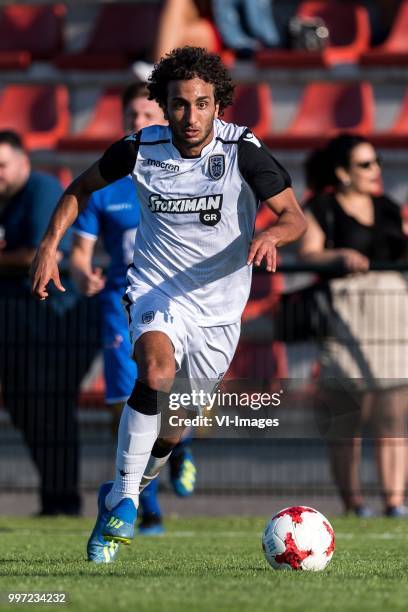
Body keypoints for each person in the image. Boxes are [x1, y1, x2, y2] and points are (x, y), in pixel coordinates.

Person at [31, 46, 306, 562]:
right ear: (162, 104)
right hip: (157, 289)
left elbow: (294, 215)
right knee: (155, 372)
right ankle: (124, 501)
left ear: (218, 104)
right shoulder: (139, 149)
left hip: (220, 309)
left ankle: (123, 489)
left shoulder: (242, 150)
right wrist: (49, 247)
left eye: (202, 104)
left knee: (175, 425)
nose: (191, 116)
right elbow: (77, 190)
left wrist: (273, 236)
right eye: (180, 104)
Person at [69, 82, 197, 536]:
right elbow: (81, 251)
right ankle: (146, 506)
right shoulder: (107, 187)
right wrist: (81, 271)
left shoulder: (184, 174)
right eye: (132, 118)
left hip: (179, 296)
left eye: (146, 117)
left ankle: (177, 449)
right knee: (130, 400)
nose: (138, 125)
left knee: (178, 399)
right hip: (122, 299)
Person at [300, 133, 408, 518]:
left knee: (393, 413)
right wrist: (340, 255)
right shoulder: (323, 208)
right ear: (343, 173)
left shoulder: (390, 209)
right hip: (345, 316)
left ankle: (394, 501)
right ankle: (353, 502)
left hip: (392, 314)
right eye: (365, 164)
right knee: (350, 414)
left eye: (376, 162)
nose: (376, 170)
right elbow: (308, 253)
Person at [0, 130, 99, 516]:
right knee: (26, 409)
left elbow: (36, 256)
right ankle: (54, 498)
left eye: (3, 166)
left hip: (62, 323)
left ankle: (64, 501)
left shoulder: (41, 191)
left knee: (53, 409)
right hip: (21, 328)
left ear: (24, 163)